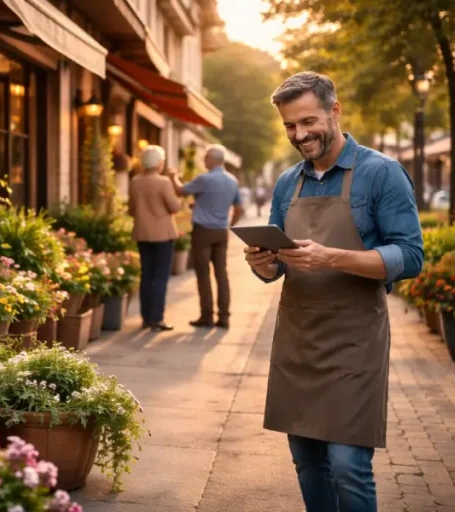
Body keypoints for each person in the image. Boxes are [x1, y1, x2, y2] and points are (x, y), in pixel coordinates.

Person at [244, 71, 423, 512]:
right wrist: (263, 263)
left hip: (354, 340)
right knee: (306, 460)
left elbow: (410, 256)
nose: (299, 134)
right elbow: (278, 262)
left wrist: (333, 257)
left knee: (347, 466)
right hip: (298, 339)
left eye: (308, 122)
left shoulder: (381, 173)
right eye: (290, 125)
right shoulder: (287, 183)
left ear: (334, 111)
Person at [167, 144, 244, 329]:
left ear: (212, 159)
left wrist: (172, 176)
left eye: (206, 157)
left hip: (203, 231)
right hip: (221, 232)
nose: (204, 159)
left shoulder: (204, 179)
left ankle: (207, 316)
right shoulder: (232, 180)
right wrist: (230, 225)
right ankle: (224, 317)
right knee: (221, 274)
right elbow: (239, 209)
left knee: (203, 274)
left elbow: (180, 190)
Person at [128, 145, 181, 332]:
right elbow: (174, 207)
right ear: (159, 163)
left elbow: (131, 209)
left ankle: (145, 318)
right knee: (160, 277)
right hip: (163, 235)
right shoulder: (163, 182)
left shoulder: (135, 181)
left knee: (146, 275)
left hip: (142, 233)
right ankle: (156, 319)